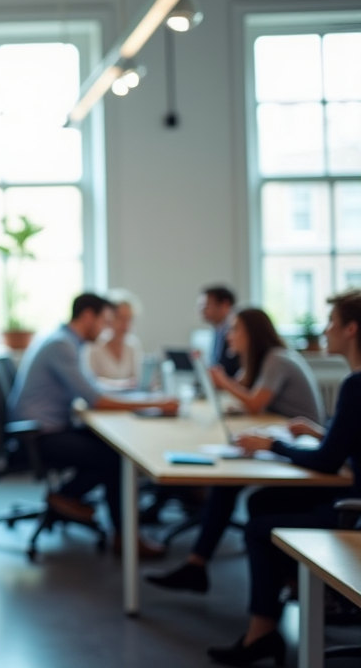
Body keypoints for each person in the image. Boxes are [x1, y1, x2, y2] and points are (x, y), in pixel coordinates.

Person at [206, 291, 361, 666]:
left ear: (352, 329)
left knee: (259, 526)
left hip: (352, 507)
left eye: (331, 323)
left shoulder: (356, 386)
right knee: (262, 501)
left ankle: (262, 631)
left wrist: (274, 444)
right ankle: (303, 591)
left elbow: (326, 462)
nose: (325, 331)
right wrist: (317, 432)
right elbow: (346, 445)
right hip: (351, 491)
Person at [147, 308, 323, 594]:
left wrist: (222, 381)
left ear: (251, 333)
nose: (229, 335)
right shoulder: (258, 360)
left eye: (235, 330)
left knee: (229, 482)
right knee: (225, 484)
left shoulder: (277, 358)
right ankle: (196, 564)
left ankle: (200, 564)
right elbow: (244, 391)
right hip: (282, 441)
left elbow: (254, 403)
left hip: (301, 448)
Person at [7, 292, 178, 557]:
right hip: (39, 436)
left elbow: (91, 386)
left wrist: (128, 389)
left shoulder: (64, 341)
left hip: (45, 429)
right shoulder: (62, 346)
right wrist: (154, 405)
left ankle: (116, 527)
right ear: (88, 316)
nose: (106, 328)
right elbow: (96, 399)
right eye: (104, 321)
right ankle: (72, 500)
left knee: (109, 447)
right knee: (115, 456)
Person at [85, 289, 144, 387]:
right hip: (102, 401)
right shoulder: (94, 345)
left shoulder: (133, 345)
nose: (126, 326)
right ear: (109, 317)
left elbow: (138, 380)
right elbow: (89, 381)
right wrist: (122, 384)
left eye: (129, 320)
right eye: (121, 319)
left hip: (129, 401)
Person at [200, 284, 241, 376]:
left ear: (224, 305)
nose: (202, 311)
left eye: (206, 306)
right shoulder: (217, 330)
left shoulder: (239, 332)